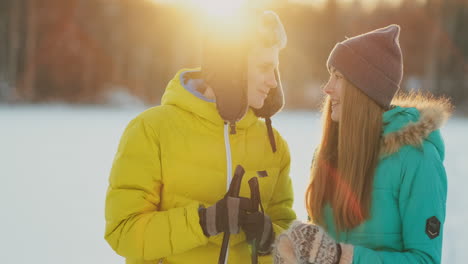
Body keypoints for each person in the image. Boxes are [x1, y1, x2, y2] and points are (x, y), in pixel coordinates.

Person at [104, 10, 296, 264]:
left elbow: (289, 237)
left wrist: (271, 238)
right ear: (232, 67)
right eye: (264, 67)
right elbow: (123, 232)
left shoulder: (274, 146)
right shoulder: (152, 130)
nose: (273, 81)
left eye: (276, 69)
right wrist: (204, 222)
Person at [273, 25, 452, 264]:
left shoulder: (417, 159)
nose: (327, 88)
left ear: (364, 89)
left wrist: (346, 257)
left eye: (338, 77)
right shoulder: (327, 154)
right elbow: (320, 247)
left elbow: (425, 259)